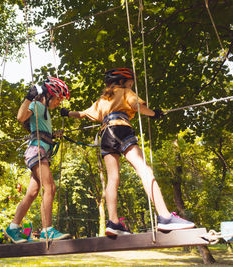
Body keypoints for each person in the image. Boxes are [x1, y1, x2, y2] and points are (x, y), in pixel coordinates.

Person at [61, 68, 195, 235]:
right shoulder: (125, 91)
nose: (132, 85)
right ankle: (165, 216)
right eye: (130, 82)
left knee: (113, 178)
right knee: (143, 169)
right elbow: (136, 106)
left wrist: (66, 113)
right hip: (120, 128)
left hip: (105, 135)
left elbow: (82, 114)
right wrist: (154, 113)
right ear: (122, 81)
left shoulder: (103, 99)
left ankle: (113, 222)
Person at [5, 77, 71, 243]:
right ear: (48, 95)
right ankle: (47, 230)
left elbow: (40, 129)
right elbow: (21, 117)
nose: (58, 103)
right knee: (50, 187)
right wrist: (29, 97)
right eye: (58, 98)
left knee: (32, 192)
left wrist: (53, 134)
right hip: (37, 151)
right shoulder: (37, 105)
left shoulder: (45, 111)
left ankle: (13, 228)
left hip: (41, 150)